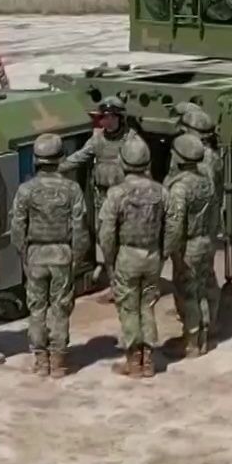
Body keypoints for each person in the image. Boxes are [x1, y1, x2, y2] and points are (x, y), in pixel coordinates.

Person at [10, 133, 89, 379]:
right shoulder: (72, 189)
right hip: (62, 255)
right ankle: (58, 360)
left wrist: (24, 253)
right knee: (60, 308)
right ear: (60, 158)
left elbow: (17, 229)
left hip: (35, 254)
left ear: (36, 160)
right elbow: (80, 228)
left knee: (37, 308)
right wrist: (76, 257)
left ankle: (40, 359)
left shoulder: (25, 190)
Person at [97, 135, 167, 379]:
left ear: (123, 162)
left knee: (128, 307)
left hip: (127, 255)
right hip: (152, 256)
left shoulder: (117, 194)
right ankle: (149, 359)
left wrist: (109, 259)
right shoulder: (161, 192)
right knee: (147, 306)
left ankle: (133, 361)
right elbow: (171, 228)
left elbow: (106, 232)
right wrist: (163, 253)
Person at [61, 95, 134, 290]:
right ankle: (114, 282)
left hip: (125, 199)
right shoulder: (97, 139)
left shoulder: (131, 140)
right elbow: (79, 157)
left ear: (120, 118)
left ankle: (127, 282)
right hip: (103, 198)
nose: (107, 121)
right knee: (105, 241)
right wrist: (56, 167)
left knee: (126, 242)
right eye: (104, 117)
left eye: (111, 117)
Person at [165, 132, 220, 357]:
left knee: (188, 294)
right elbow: (216, 212)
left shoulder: (180, 188)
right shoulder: (205, 181)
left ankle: (192, 343)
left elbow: (176, 225)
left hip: (188, 248)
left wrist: (167, 250)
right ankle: (204, 337)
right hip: (206, 242)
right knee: (204, 289)